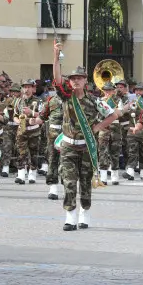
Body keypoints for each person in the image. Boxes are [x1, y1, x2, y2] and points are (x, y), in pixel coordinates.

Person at [52, 42, 122, 230]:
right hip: (68, 145)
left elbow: (114, 115)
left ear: (85, 81)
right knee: (68, 180)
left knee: (85, 181)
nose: (75, 81)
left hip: (86, 146)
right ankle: (70, 215)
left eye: (79, 78)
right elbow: (57, 80)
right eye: (73, 78)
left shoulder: (94, 100)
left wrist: (97, 127)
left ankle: (85, 212)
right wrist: (56, 56)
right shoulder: (66, 96)